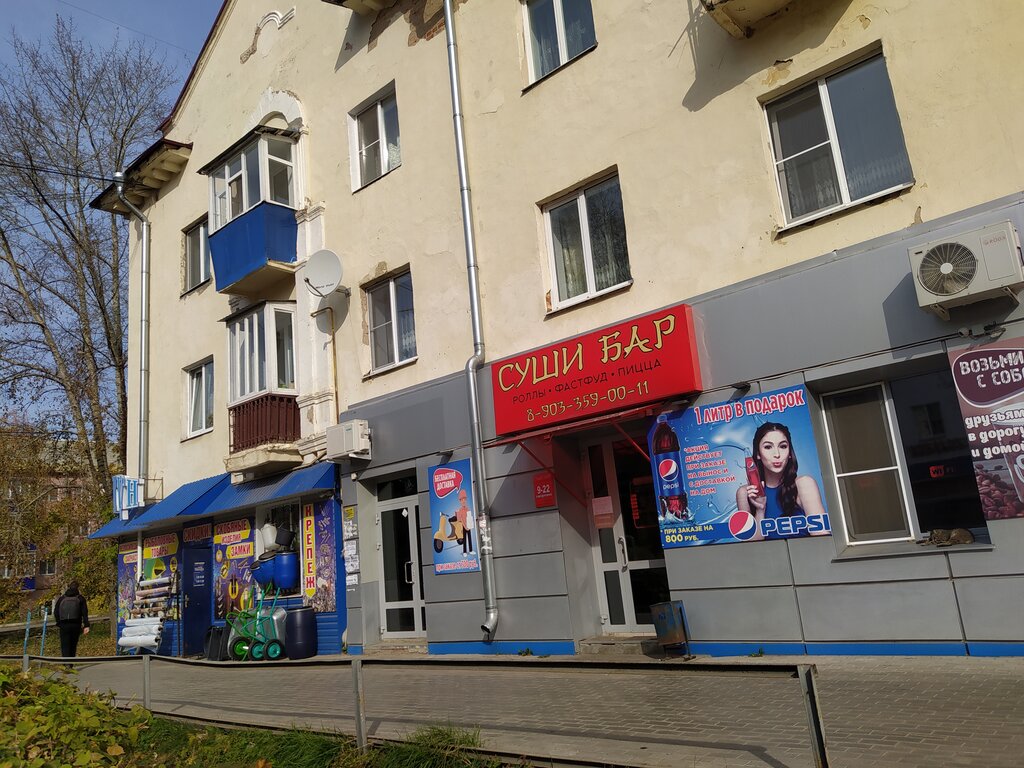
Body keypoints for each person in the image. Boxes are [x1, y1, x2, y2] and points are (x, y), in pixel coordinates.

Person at [736, 422, 826, 540]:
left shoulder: (804, 484)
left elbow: (822, 537)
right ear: (758, 454)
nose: (777, 454)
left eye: (783, 446)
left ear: (790, 453)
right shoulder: (745, 493)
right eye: (768, 447)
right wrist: (760, 510)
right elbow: (751, 547)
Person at [54, 581, 90, 657]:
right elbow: (84, 612)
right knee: (73, 645)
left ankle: (66, 662)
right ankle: (71, 660)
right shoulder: (80, 598)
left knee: (65, 645)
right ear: (78, 588)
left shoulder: (62, 598)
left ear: (69, 587)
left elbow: (56, 611)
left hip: (64, 624)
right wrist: (86, 625)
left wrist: (59, 623)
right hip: (76, 624)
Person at [452, 488, 474, 556]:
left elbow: (470, 518)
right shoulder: (460, 510)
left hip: (468, 526)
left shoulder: (468, 509)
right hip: (463, 527)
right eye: (462, 500)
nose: (463, 501)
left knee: (469, 538)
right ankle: (464, 552)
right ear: (460, 501)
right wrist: (465, 526)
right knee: (464, 539)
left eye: (464, 499)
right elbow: (459, 519)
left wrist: (470, 525)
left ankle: (471, 550)